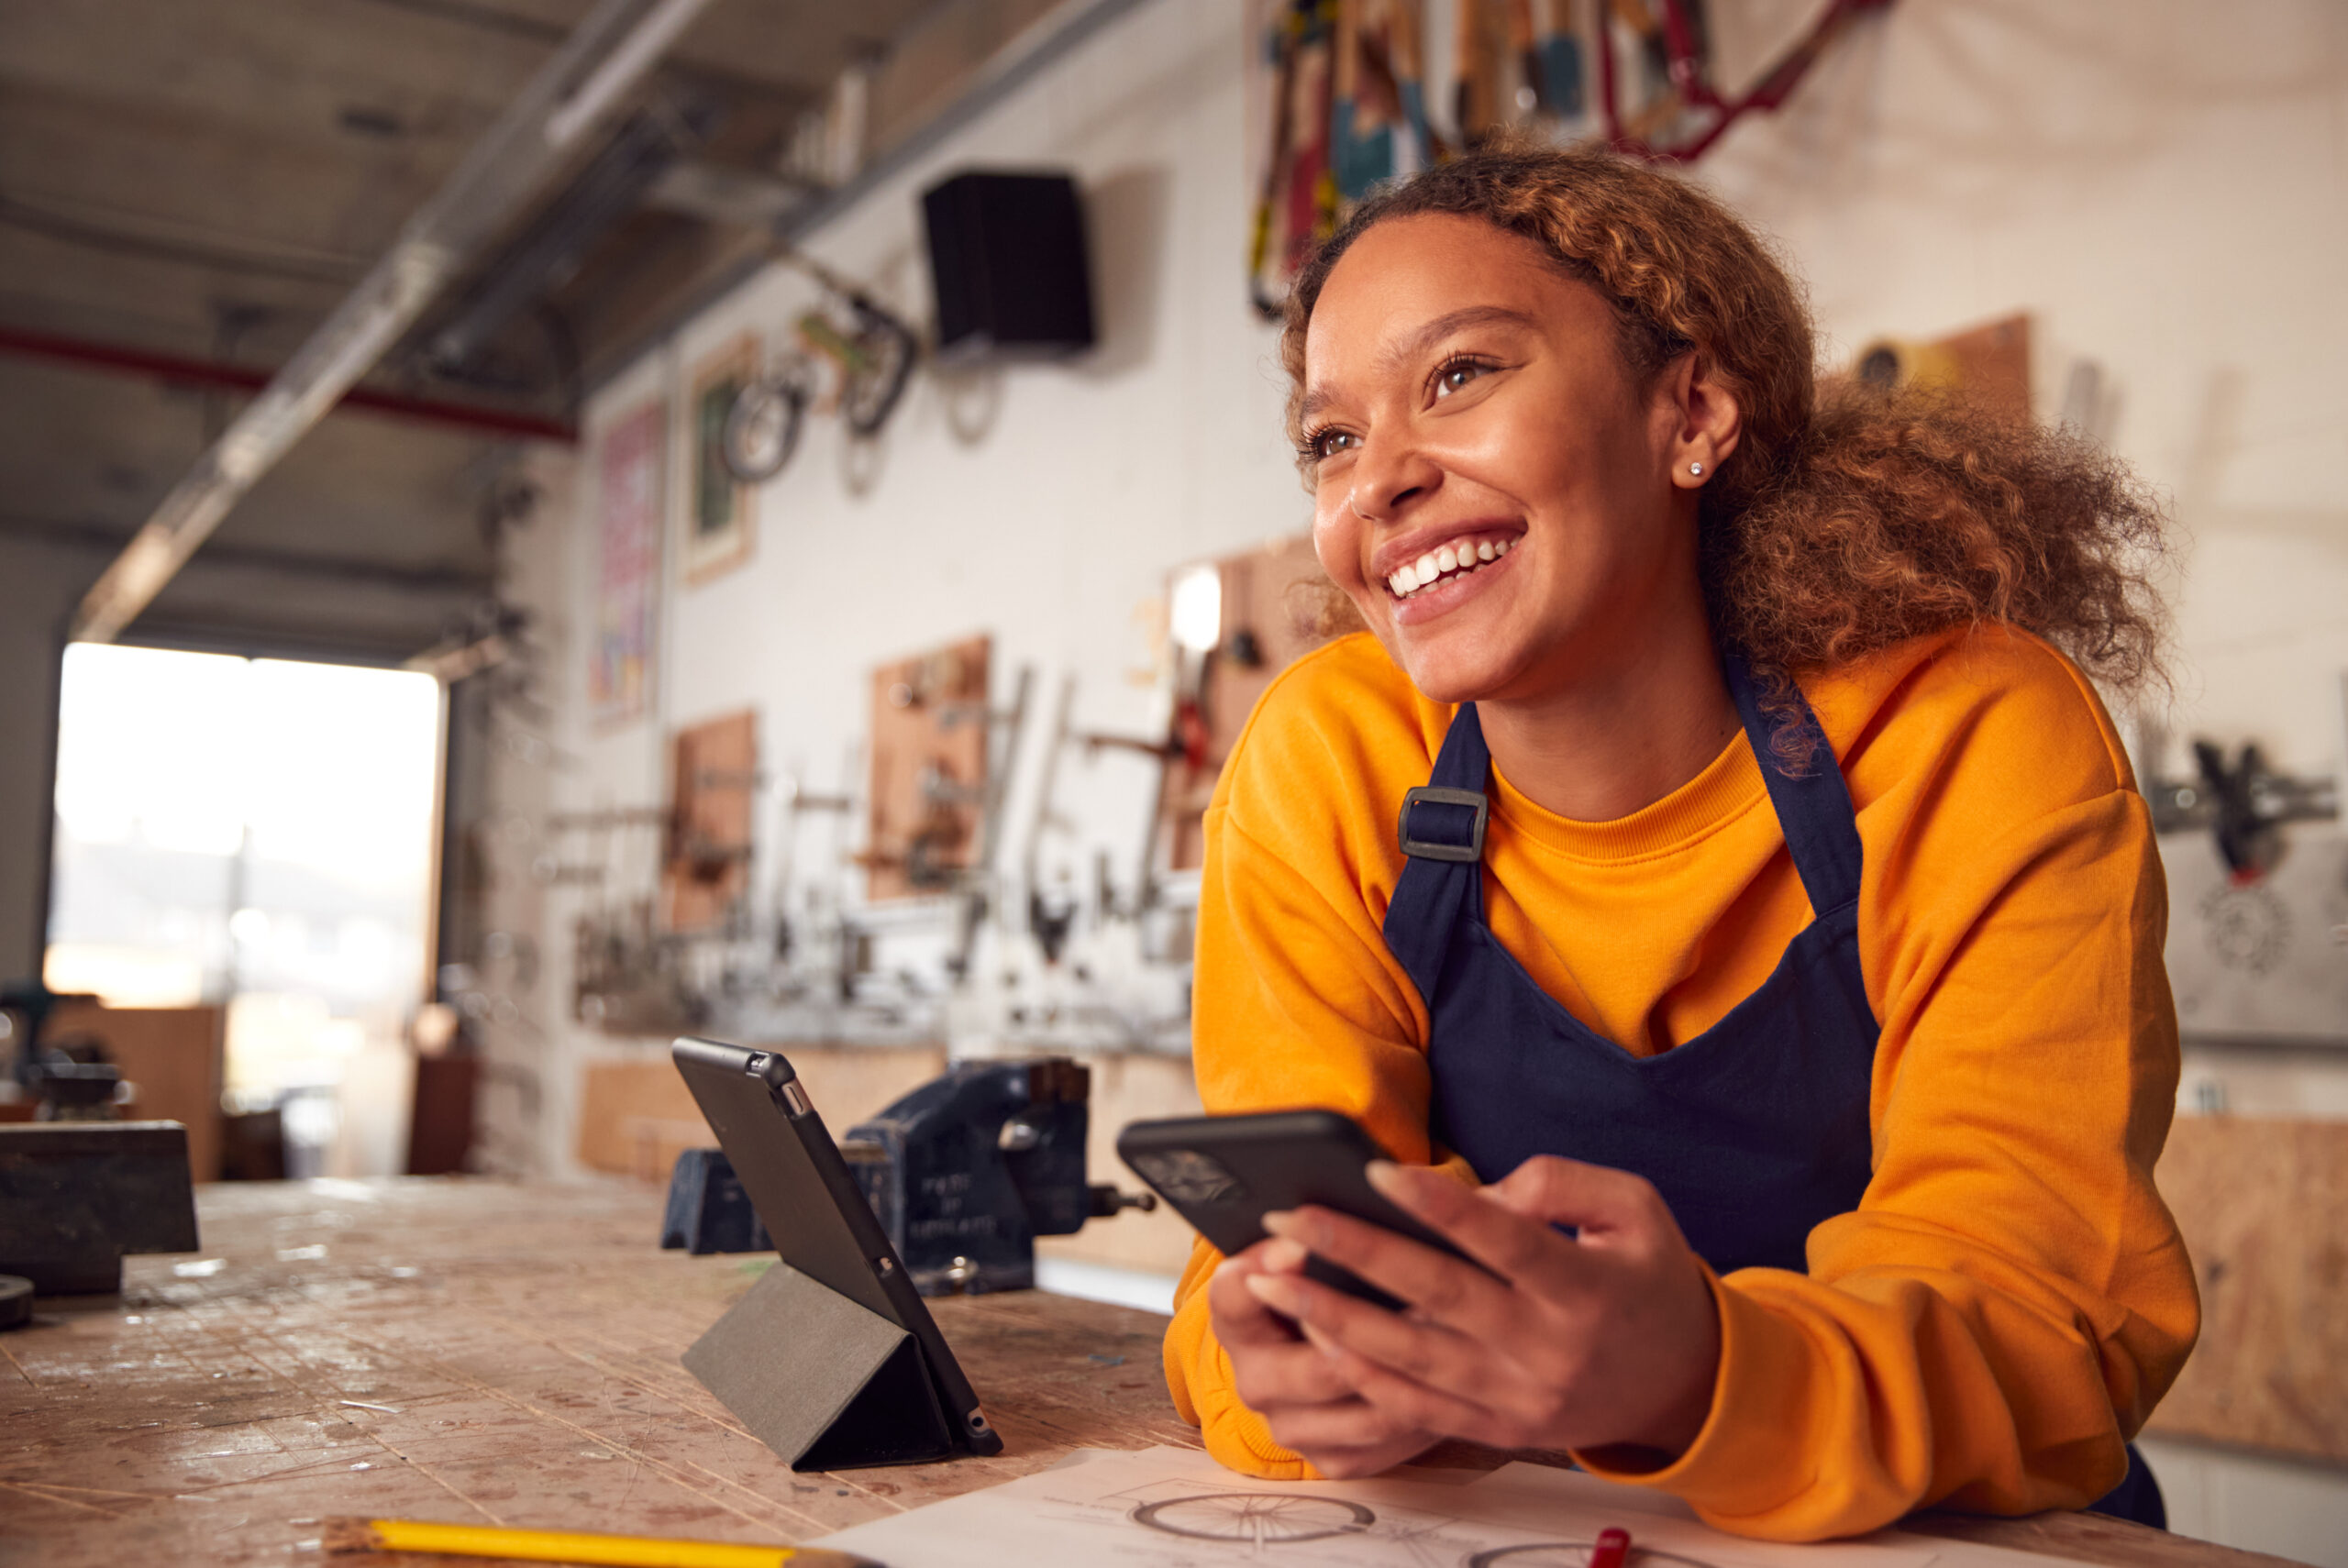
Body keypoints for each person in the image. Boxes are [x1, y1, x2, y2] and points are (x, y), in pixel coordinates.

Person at [1160, 138, 2198, 1543]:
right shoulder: (1328, 757)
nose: (1378, 483)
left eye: (1460, 375)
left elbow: (2046, 1321)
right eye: (1332, 439)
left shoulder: (1962, 730)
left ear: (1692, 410)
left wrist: (1701, 1373)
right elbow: (1256, 1266)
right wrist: (1279, 1366)